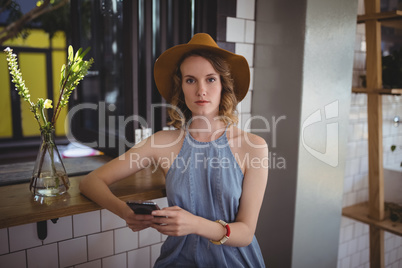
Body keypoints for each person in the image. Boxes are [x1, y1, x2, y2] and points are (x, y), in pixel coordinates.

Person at [80, 33, 268, 267]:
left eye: (210, 79)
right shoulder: (161, 142)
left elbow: (246, 233)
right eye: (191, 80)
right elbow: (90, 182)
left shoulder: (254, 147)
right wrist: (125, 212)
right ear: (181, 88)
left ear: (223, 86)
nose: (201, 90)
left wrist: (194, 225)